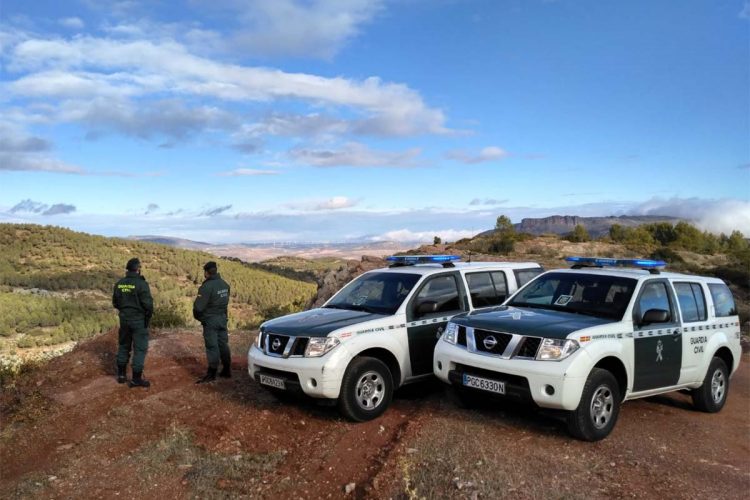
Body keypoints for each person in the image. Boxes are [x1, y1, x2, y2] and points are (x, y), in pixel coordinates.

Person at [112, 258, 153, 388]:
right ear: (138, 269)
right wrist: (147, 316)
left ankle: (122, 376)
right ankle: (136, 379)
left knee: (124, 345)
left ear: (127, 269)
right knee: (140, 349)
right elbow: (148, 305)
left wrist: (125, 311)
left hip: (124, 319)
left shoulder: (119, 284)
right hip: (138, 320)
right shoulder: (141, 284)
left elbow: (116, 303)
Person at [193, 261, 231, 383]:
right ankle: (226, 370)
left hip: (211, 320)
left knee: (212, 346)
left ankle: (212, 373)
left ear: (206, 272)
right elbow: (225, 304)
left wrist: (202, 319)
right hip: (222, 318)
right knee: (223, 344)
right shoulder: (225, 284)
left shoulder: (206, 287)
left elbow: (198, 308)